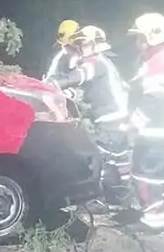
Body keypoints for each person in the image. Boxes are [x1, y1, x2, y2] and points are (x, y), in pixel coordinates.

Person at [47, 25, 133, 207]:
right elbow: (82, 91)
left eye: (84, 44)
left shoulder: (95, 63)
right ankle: (123, 197)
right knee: (119, 158)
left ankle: (97, 201)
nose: (80, 48)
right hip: (118, 118)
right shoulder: (104, 63)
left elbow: (79, 76)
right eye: (78, 44)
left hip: (110, 119)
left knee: (97, 158)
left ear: (95, 45)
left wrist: (54, 84)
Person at [127, 12, 164, 231]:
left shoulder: (157, 62)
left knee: (145, 176)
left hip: (156, 133)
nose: (137, 44)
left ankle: (152, 221)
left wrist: (134, 123)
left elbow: (155, 96)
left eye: (139, 38)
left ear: (150, 38)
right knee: (163, 177)